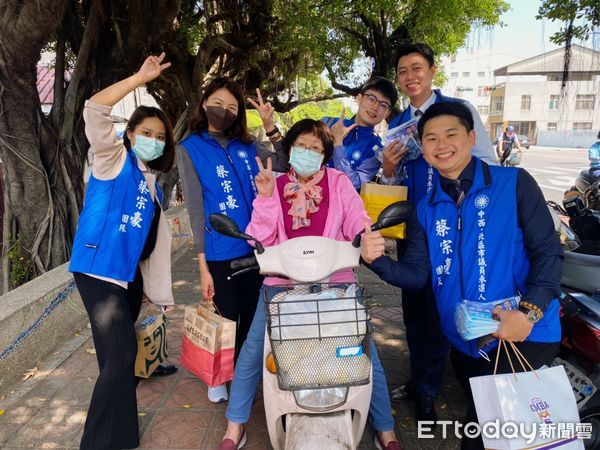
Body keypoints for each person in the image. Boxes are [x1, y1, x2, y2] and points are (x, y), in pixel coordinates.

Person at [219, 119, 428, 450]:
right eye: (302, 146)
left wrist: (366, 237)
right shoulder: (275, 183)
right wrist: (266, 197)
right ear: (289, 148)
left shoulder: (339, 182)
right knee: (252, 352)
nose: (308, 153)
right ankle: (235, 426)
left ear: (326, 155)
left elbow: (356, 221)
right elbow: (259, 239)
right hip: (281, 287)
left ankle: (385, 428)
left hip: (337, 287)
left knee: (363, 352)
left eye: (316, 148)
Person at [416, 101, 560, 449]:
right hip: (467, 342)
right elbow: (416, 274)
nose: (441, 145)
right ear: (422, 149)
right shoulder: (428, 206)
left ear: (471, 137)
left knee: (484, 437)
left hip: (523, 335)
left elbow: (549, 254)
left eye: (450, 134)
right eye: (431, 139)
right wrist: (374, 258)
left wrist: (527, 315)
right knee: (503, 430)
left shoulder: (514, 183)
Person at [378, 42, 498, 422]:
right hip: (414, 231)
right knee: (415, 309)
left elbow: (489, 163)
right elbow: (392, 184)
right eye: (402, 71)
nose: (410, 77)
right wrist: (389, 168)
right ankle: (419, 380)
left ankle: (437, 388)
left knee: (448, 307)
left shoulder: (458, 113)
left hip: (454, 227)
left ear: (432, 71)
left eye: (417, 68)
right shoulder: (396, 125)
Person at [69, 53, 176, 450]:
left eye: (161, 136)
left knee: (114, 361)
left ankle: (123, 435)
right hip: (97, 272)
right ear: (130, 134)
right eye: (147, 132)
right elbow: (94, 108)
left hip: (127, 279)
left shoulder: (154, 185)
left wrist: (149, 286)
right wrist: (138, 78)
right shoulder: (112, 160)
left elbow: (146, 244)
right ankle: (96, 443)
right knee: (121, 354)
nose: (155, 140)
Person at [177, 78, 289, 403]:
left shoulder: (248, 144)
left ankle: (242, 373)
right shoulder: (189, 149)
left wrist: (270, 127)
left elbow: (282, 163)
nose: (224, 111)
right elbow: (196, 210)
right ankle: (219, 377)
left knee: (253, 317)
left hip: (258, 249)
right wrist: (202, 267)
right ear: (203, 103)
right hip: (219, 251)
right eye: (218, 104)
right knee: (226, 318)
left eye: (231, 107)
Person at [322, 76, 398, 190]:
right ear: (359, 99)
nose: (375, 107)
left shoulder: (376, 151)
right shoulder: (328, 122)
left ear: (387, 114)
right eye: (372, 99)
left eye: (383, 105)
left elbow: (353, 184)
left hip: (339, 206)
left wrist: (337, 145)